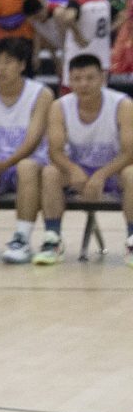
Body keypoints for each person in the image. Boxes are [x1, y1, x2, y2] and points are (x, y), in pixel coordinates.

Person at [0, 37, 53, 265]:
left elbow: (33, 139)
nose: (1, 68)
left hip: (34, 160)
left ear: (22, 65)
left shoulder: (41, 94)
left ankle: (22, 239)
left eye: (8, 62)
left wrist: (4, 164)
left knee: (26, 167)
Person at [45, 52, 131, 264]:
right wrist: (74, 170)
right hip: (77, 172)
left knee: (132, 174)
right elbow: (54, 151)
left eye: (90, 78)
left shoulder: (123, 105)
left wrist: (101, 175)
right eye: (77, 79)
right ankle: (52, 239)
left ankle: (132, 240)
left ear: (102, 78)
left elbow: (130, 152)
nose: (83, 84)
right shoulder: (59, 107)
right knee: (50, 173)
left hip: (113, 171)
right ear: (69, 81)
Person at [57, 0, 112, 67]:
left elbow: (68, 18)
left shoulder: (76, 2)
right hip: (101, 53)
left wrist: (78, 36)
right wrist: (110, 29)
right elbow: (123, 15)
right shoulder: (103, 1)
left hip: (79, 52)